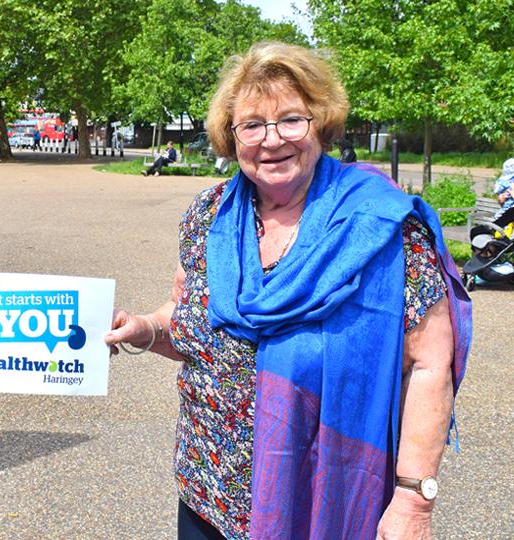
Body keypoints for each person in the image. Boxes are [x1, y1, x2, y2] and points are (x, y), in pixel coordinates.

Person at [104, 41, 472, 539]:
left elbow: (429, 365)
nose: (271, 139)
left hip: (324, 501)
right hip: (207, 494)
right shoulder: (209, 216)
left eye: (291, 120)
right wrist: (146, 328)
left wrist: (413, 500)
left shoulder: (381, 225)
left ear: (320, 122)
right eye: (252, 125)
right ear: (231, 137)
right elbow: (188, 316)